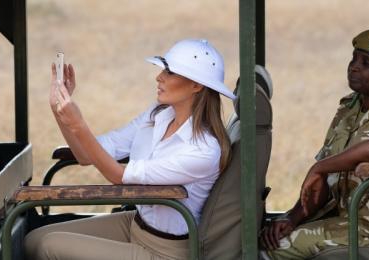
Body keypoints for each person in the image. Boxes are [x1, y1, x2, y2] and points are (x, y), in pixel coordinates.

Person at [24, 39, 235, 260]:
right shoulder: (158, 114)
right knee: (33, 240)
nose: (159, 77)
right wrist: (59, 111)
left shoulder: (204, 150)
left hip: (166, 252)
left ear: (196, 85)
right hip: (135, 224)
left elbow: (118, 176)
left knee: (48, 247)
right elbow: (86, 155)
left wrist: (78, 124)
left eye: (170, 72)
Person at [261, 28, 369, 259]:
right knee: (270, 237)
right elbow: (325, 179)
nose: (354, 66)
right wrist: (292, 218)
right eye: (354, 58)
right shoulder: (350, 106)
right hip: (348, 218)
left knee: (273, 251)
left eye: (367, 63)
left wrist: (319, 168)